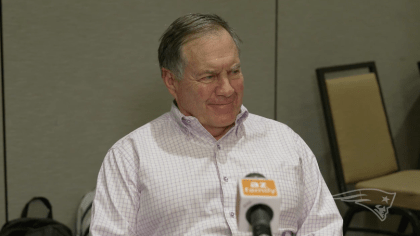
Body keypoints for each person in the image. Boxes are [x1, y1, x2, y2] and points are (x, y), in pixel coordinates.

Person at [91, 13, 343, 235]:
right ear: (171, 81)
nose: (227, 89)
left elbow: (324, 226)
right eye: (209, 76)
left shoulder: (285, 142)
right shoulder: (130, 157)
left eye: (234, 71)